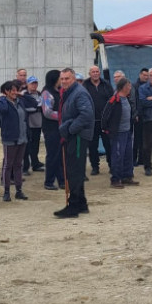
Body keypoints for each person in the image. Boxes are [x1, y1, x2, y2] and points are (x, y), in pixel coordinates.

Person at [54, 68, 95, 218]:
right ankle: (82, 204)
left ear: (73, 79)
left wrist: (70, 129)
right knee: (74, 169)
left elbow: (86, 114)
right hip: (73, 135)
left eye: (67, 78)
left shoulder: (79, 93)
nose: (64, 81)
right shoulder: (69, 93)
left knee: (74, 171)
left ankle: (73, 206)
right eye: (62, 79)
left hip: (77, 136)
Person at [0, 81, 34, 201]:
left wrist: (22, 95)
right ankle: (6, 192)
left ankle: (19, 190)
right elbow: (2, 110)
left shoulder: (20, 101)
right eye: (13, 90)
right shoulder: (3, 102)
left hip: (22, 137)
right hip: (10, 138)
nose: (15, 92)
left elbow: (33, 102)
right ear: (6, 91)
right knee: (8, 165)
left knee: (18, 165)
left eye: (16, 90)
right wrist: (2, 98)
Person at [101, 78, 138, 188]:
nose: (130, 88)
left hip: (127, 132)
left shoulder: (126, 99)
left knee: (128, 155)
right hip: (118, 133)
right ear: (124, 87)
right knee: (118, 156)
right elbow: (105, 116)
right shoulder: (114, 100)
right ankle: (115, 179)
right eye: (129, 86)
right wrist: (106, 129)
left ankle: (127, 177)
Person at [84, 65, 113, 176]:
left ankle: (111, 165)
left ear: (99, 73)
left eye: (97, 71)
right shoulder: (85, 85)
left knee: (108, 145)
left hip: (105, 121)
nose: (95, 73)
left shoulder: (106, 85)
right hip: (91, 122)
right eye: (93, 72)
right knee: (92, 146)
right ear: (89, 73)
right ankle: (95, 167)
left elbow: (112, 101)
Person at [40, 70, 65, 191]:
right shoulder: (46, 93)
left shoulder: (59, 92)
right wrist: (62, 116)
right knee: (53, 156)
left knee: (60, 155)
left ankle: (61, 180)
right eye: (61, 78)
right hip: (51, 129)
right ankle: (49, 181)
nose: (62, 81)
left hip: (59, 128)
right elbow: (47, 112)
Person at [22, 76, 45, 176]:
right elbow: (27, 107)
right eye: (32, 83)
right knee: (27, 146)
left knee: (36, 144)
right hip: (28, 124)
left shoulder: (40, 94)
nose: (34, 85)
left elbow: (41, 106)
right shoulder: (24, 95)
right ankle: (25, 167)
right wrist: (36, 107)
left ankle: (35, 163)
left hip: (38, 123)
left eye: (35, 83)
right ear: (27, 84)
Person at [132, 68, 148, 165]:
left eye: (147, 75)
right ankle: (134, 159)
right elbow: (133, 101)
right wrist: (135, 114)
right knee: (136, 140)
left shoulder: (149, 86)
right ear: (140, 75)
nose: (146, 77)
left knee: (145, 139)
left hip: (147, 116)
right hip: (138, 116)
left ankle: (142, 159)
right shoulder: (134, 86)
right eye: (144, 75)